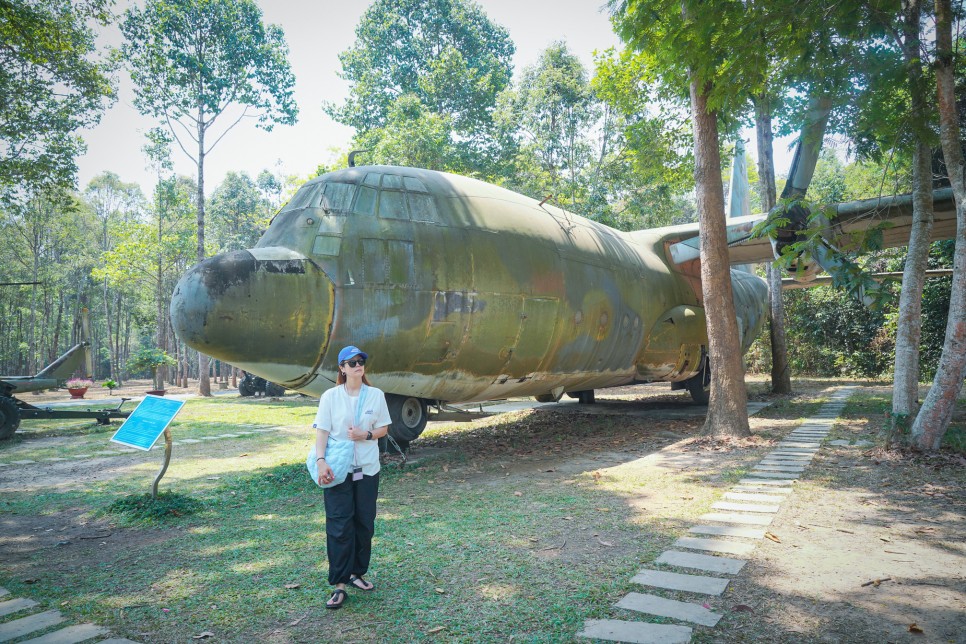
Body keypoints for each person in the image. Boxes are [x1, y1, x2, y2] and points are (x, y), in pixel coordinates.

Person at [313, 345, 391, 610]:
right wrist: (321, 461)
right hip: (337, 470)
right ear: (342, 369)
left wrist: (366, 435)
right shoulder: (330, 397)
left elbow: (383, 428)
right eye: (353, 362)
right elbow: (322, 432)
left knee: (364, 523)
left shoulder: (376, 395)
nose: (359, 365)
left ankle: (358, 573)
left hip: (367, 469)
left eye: (361, 361)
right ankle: (339, 584)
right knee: (339, 525)